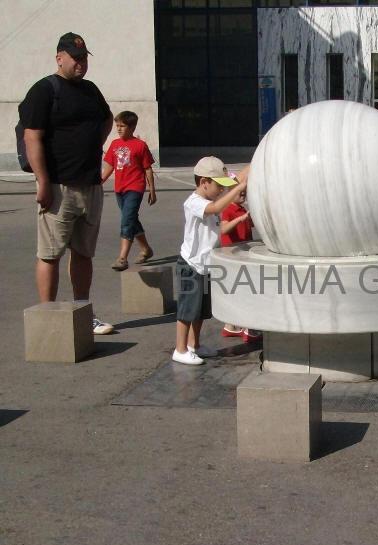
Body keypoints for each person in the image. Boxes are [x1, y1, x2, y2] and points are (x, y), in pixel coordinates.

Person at [20, 32, 114, 335]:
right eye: (76, 58)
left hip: (90, 184)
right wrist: (43, 182)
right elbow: (31, 136)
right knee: (50, 253)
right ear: (59, 57)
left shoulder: (90, 90)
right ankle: (47, 314)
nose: (81, 64)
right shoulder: (44, 91)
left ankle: (83, 310)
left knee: (84, 252)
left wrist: (92, 150)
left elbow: (107, 119)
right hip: (59, 187)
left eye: (85, 58)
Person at [173, 157, 249, 365]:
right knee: (187, 310)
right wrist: (238, 188)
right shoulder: (194, 203)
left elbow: (218, 226)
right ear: (204, 181)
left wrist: (249, 169)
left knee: (200, 310)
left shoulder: (208, 202)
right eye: (218, 186)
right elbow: (215, 209)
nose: (221, 191)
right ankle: (180, 349)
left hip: (205, 266)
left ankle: (194, 345)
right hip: (191, 265)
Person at [101, 111, 156, 271]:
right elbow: (110, 166)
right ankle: (146, 249)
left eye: (122, 126)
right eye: (117, 126)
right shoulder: (114, 144)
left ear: (132, 127)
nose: (118, 129)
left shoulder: (140, 145)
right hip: (120, 188)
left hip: (135, 187)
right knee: (131, 219)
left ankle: (122, 258)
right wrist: (99, 182)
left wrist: (152, 189)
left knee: (126, 221)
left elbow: (147, 168)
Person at [219, 186, 261, 343]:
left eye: (244, 191)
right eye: (238, 192)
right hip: (234, 256)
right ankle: (249, 328)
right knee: (246, 291)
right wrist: (240, 219)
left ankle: (231, 326)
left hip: (243, 254)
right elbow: (223, 229)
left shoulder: (242, 209)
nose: (242, 193)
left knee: (237, 291)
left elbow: (253, 225)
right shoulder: (228, 209)